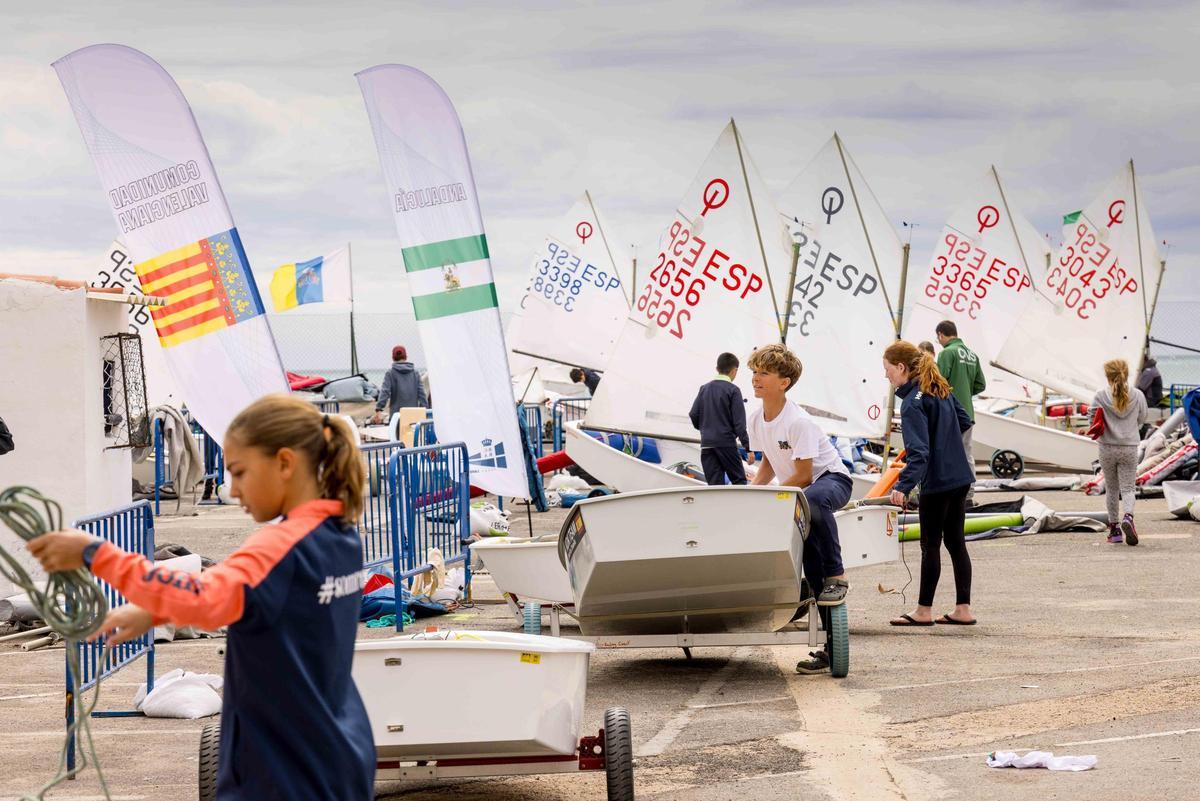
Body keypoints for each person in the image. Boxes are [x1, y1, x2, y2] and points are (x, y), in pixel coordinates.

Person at [27, 395, 375, 800]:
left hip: (284, 770)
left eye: (240, 472)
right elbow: (260, 603)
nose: (232, 489)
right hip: (339, 753)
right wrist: (155, 610)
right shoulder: (340, 535)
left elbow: (207, 598)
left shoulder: (278, 549)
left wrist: (94, 553)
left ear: (284, 463)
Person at [746, 344, 853, 674]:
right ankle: (829, 649)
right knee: (811, 568)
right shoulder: (757, 419)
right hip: (801, 492)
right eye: (754, 372)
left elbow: (806, 475)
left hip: (830, 480)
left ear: (784, 382)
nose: (755, 378)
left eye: (764, 373)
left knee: (814, 502)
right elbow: (766, 465)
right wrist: (750, 496)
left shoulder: (798, 421)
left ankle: (839, 573)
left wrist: (775, 497)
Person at [884, 341, 976, 627]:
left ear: (901, 368)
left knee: (930, 545)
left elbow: (919, 453)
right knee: (956, 543)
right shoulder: (941, 390)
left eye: (887, 370)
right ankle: (963, 609)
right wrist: (944, 440)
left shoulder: (912, 403)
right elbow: (965, 419)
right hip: (960, 477)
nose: (886, 376)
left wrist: (902, 486)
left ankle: (923, 611)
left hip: (937, 482)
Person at [1092, 359, 1149, 545]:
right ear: (1126, 373)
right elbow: (1143, 418)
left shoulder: (1100, 395)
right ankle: (1128, 518)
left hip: (1106, 446)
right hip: (1129, 447)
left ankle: (1115, 531)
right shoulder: (1138, 395)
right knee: (1128, 488)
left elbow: (1091, 419)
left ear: (1107, 375)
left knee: (1112, 488)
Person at [934, 320, 985, 504]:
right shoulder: (972, 354)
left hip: (951, 413)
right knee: (966, 454)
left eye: (938, 337)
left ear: (941, 334)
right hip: (968, 413)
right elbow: (981, 385)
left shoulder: (947, 353)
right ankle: (969, 494)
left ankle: (952, 495)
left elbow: (937, 382)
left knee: (948, 455)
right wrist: (965, 391)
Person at [689, 352, 751, 485]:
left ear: (717, 368)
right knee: (739, 482)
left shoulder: (704, 388)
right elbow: (740, 425)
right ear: (734, 371)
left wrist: (706, 429)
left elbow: (693, 414)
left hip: (706, 444)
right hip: (726, 444)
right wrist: (748, 448)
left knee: (714, 486)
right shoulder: (733, 390)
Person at [372, 345, 427, 424]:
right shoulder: (415, 373)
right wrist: (424, 409)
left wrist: (379, 408)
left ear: (393, 358)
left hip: (396, 417)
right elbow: (422, 394)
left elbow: (385, 392)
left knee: (396, 435)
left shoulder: (390, 373)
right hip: (413, 416)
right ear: (406, 357)